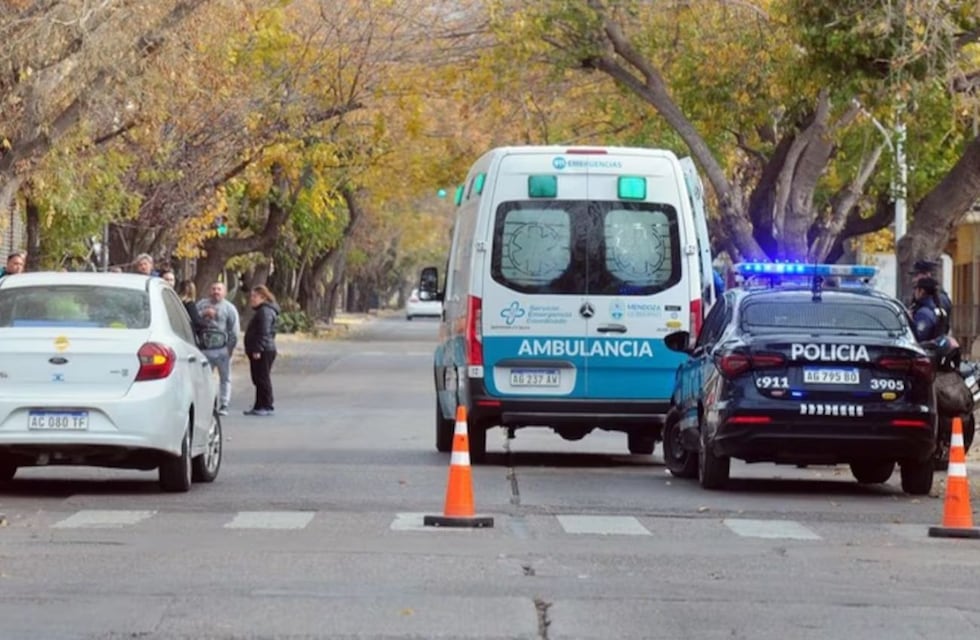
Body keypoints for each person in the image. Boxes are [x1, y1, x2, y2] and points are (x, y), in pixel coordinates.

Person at [197, 282, 240, 416]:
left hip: (222, 349)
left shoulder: (229, 308)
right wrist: (204, 313)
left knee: (225, 378)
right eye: (214, 288)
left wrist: (230, 348)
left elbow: (234, 330)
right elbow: (192, 320)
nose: (216, 291)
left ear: (225, 292)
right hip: (204, 348)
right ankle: (208, 403)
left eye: (219, 289)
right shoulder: (201, 304)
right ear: (210, 290)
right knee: (204, 379)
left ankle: (224, 404)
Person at [243, 285, 280, 416]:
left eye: (254, 296)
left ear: (263, 297)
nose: (251, 299)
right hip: (262, 348)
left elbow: (264, 332)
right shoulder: (262, 311)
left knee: (262, 378)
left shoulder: (265, 311)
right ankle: (259, 405)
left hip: (263, 350)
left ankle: (267, 405)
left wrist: (258, 348)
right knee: (258, 378)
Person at [909, 259, 952, 335]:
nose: (914, 279)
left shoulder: (939, 299)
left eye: (916, 275)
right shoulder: (922, 298)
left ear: (927, 275)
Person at [910, 276, 945, 342]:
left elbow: (918, 336)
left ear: (921, 291)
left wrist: (910, 321)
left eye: (916, 289)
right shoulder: (936, 308)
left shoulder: (923, 313)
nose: (914, 292)